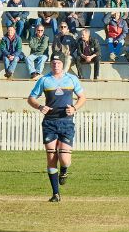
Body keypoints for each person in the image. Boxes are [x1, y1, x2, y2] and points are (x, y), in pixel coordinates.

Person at [27, 56, 86, 202]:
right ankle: (56, 194)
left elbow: (82, 97)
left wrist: (74, 108)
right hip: (49, 123)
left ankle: (64, 171)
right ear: (50, 65)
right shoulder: (44, 80)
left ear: (63, 64)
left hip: (66, 122)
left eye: (59, 63)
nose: (56, 65)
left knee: (64, 159)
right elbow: (31, 98)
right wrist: (40, 106)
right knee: (51, 156)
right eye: (53, 63)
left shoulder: (72, 79)